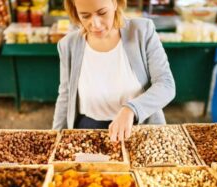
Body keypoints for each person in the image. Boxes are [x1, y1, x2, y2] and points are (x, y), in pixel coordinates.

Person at [52, 0, 175, 141]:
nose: (96, 24)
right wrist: (55, 139)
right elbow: (65, 96)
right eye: (85, 16)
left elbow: (166, 85)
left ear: (115, 3)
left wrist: (132, 109)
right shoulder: (68, 45)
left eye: (102, 13)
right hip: (89, 132)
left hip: (140, 129)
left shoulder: (142, 31)